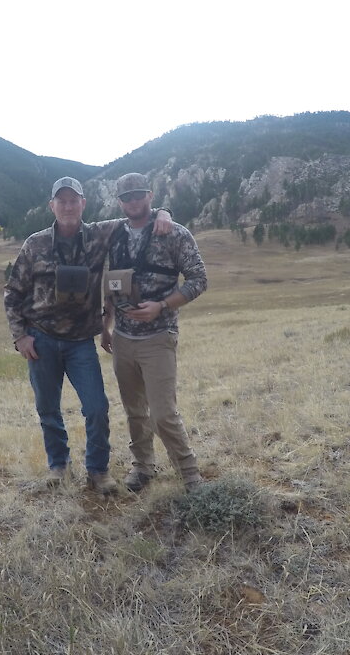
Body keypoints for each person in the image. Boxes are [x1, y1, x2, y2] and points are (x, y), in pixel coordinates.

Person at [4, 176, 173, 494]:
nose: (68, 206)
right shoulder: (35, 243)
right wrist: (20, 336)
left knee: (96, 407)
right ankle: (59, 465)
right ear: (51, 206)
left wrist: (164, 212)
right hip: (40, 340)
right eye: (61, 201)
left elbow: (136, 214)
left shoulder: (100, 233)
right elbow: (12, 292)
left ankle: (98, 471)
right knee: (48, 409)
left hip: (81, 341)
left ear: (84, 203)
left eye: (74, 200)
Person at [101, 172, 208, 493]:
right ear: (119, 202)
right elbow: (111, 281)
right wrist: (105, 327)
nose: (133, 202)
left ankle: (190, 476)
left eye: (139, 195)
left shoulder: (174, 233)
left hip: (159, 337)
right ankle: (143, 467)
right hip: (122, 339)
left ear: (150, 195)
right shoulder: (113, 234)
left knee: (163, 414)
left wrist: (161, 306)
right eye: (127, 197)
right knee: (135, 411)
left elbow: (199, 280)